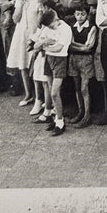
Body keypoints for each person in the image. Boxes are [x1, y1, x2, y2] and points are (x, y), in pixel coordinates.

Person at [31, 7, 73, 135]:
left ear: (56, 19)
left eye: (51, 26)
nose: (49, 28)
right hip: (49, 60)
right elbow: (35, 45)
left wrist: (44, 45)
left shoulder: (65, 29)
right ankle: (54, 118)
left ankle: (60, 122)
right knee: (50, 90)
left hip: (60, 60)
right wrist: (46, 43)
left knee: (55, 92)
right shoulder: (47, 27)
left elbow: (59, 48)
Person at [66, 3, 98, 127]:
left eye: (82, 14)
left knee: (85, 88)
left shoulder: (91, 28)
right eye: (77, 14)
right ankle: (80, 112)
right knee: (77, 87)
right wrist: (82, 46)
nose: (79, 17)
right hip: (73, 59)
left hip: (86, 60)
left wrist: (76, 45)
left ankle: (87, 116)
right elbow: (69, 43)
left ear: (87, 14)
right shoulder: (71, 27)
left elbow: (89, 47)